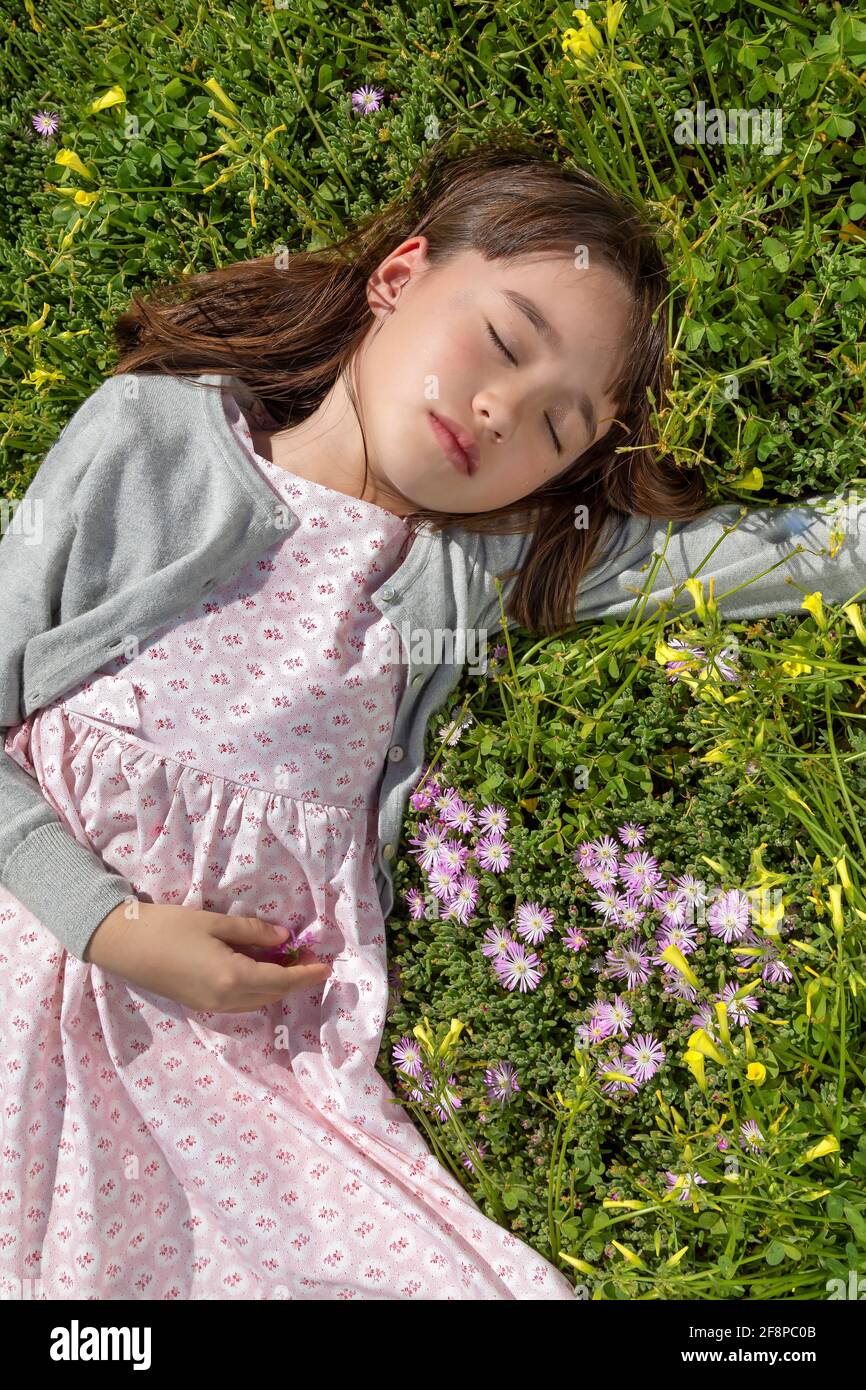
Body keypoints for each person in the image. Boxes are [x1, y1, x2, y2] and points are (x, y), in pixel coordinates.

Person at [0, 136, 863, 1301]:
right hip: (35, 931)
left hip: (245, 1062)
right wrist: (104, 924)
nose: (502, 409)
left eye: (558, 431)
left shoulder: (473, 568)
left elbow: (744, 559)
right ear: (399, 275)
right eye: (503, 341)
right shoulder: (156, 436)